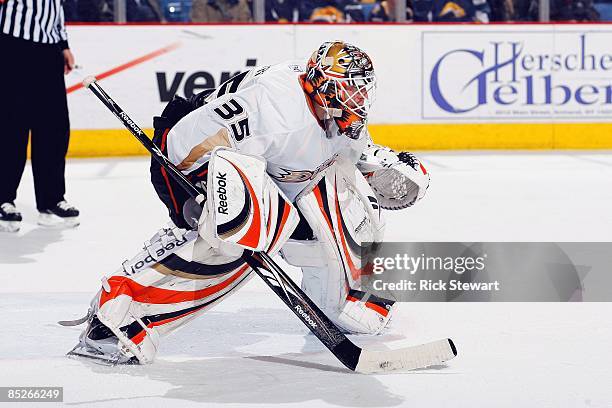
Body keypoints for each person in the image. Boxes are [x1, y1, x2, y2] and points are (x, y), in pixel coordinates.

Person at [68, 41, 430, 365]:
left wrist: (382, 164)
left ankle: (338, 301)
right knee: (244, 230)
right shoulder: (274, 110)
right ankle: (117, 317)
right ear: (325, 89)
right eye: (350, 91)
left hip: (267, 165)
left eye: (361, 91)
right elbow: (183, 142)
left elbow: (344, 153)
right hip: (193, 154)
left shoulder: (327, 110)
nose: (359, 100)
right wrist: (196, 195)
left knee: (340, 195)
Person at [0, 0, 80, 232]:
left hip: (49, 48)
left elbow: (57, 7)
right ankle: (3, 197)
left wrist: (63, 44)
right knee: (12, 126)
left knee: (53, 128)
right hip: (12, 44)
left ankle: (51, 199)